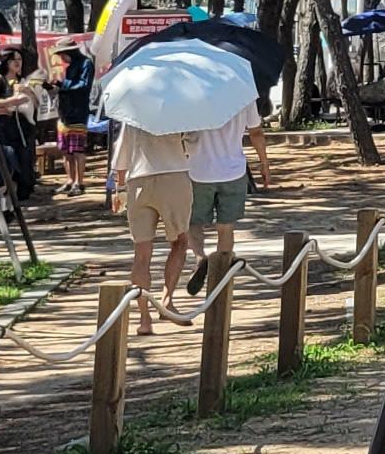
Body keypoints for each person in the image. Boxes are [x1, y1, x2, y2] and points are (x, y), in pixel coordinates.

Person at [107, 106, 199, 335]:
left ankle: (144, 319)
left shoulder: (134, 110)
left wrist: (119, 188)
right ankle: (167, 300)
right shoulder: (179, 108)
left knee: (141, 253)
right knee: (180, 241)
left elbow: (122, 152)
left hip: (138, 179)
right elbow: (193, 145)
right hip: (173, 175)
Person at [171, 92, 268, 299]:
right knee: (226, 226)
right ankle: (221, 275)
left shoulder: (193, 93)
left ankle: (199, 257)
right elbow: (256, 132)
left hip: (198, 169)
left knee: (193, 222)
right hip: (233, 170)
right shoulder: (243, 94)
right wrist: (264, 162)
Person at [52, 42, 93, 194]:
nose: (62, 58)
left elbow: (84, 85)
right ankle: (70, 179)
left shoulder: (86, 63)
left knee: (77, 150)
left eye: (63, 55)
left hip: (78, 112)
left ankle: (79, 182)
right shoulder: (70, 67)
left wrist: (63, 85)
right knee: (65, 150)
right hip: (64, 112)